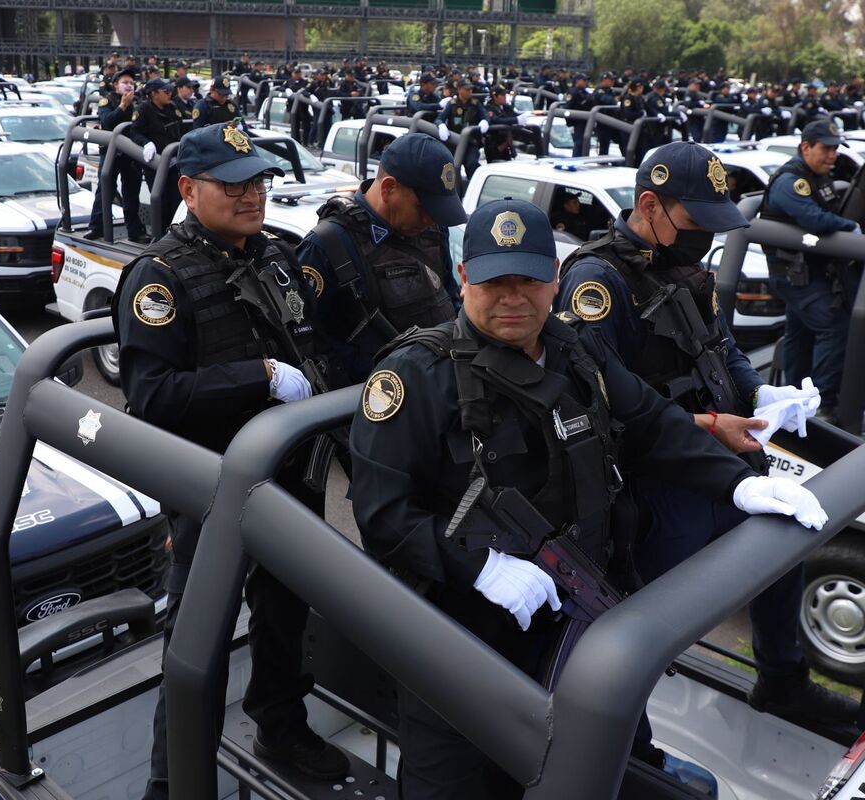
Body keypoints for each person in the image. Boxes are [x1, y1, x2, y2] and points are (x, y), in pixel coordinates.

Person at [350, 197, 830, 800]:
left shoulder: (576, 349)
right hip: (463, 637)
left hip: (579, 614)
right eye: (496, 280)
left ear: (555, 276)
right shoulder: (413, 378)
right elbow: (383, 517)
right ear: (463, 276)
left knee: (598, 761)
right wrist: (479, 568)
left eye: (529, 279)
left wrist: (739, 482)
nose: (514, 297)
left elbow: (651, 420)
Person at [557, 141, 856, 741]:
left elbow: (719, 346)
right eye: (694, 222)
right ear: (650, 206)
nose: (703, 236)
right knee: (649, 621)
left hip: (724, 455)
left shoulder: (683, 268)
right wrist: (702, 426)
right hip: (660, 480)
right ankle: (621, 741)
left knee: (783, 549)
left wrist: (760, 397)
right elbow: (600, 400)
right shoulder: (598, 283)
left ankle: (782, 678)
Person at [115, 123, 348, 800]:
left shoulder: (276, 257)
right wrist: (258, 375)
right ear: (188, 190)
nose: (252, 195)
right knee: (199, 634)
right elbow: (151, 397)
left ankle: (280, 722)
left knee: (285, 613)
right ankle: (173, 775)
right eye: (233, 184)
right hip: (211, 488)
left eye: (258, 182)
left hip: (289, 475)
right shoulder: (157, 278)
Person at [296, 133, 465, 387]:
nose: (430, 220)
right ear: (388, 189)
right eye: (423, 209)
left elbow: (450, 297)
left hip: (441, 385)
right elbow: (310, 345)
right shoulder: (328, 245)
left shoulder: (431, 230)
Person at [760, 120, 863, 426]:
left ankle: (796, 397)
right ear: (806, 147)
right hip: (795, 276)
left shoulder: (819, 177)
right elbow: (813, 218)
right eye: (826, 149)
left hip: (810, 274)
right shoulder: (791, 181)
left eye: (835, 149)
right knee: (835, 327)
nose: (832, 155)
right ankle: (821, 405)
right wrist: (851, 229)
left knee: (799, 334)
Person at [86, 68, 147, 242]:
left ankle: (135, 231)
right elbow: (107, 121)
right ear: (115, 85)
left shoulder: (139, 102)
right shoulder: (108, 100)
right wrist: (123, 106)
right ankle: (96, 227)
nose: (128, 86)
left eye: (130, 83)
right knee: (105, 190)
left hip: (131, 153)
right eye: (124, 83)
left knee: (131, 194)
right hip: (111, 152)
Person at [130, 77, 184, 227]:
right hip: (156, 163)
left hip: (174, 162)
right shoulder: (144, 109)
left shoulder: (172, 108)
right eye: (165, 91)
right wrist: (146, 143)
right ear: (154, 94)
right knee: (160, 200)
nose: (169, 94)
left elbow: (180, 130)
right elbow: (135, 133)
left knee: (177, 200)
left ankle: (175, 232)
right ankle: (160, 235)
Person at [436, 80, 486, 182]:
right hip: (454, 143)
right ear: (459, 90)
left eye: (471, 89)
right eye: (467, 89)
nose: (470, 91)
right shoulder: (452, 104)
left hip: (471, 142)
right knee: (450, 169)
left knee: (472, 164)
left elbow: (485, 117)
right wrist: (441, 125)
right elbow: (439, 118)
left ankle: (473, 188)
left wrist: (485, 121)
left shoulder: (475, 103)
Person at [484, 85, 544, 159]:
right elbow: (497, 120)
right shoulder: (489, 107)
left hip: (506, 142)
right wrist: (516, 120)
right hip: (495, 143)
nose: (505, 97)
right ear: (495, 97)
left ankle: (541, 154)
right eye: (502, 95)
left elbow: (514, 115)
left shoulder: (505, 107)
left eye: (505, 94)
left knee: (535, 131)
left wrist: (525, 116)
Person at [565, 72, 593, 156]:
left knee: (586, 143)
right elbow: (567, 108)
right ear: (577, 81)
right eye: (583, 80)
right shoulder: (572, 92)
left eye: (586, 80)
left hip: (586, 121)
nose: (585, 82)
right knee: (578, 143)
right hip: (577, 122)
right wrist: (570, 124)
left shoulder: (586, 92)